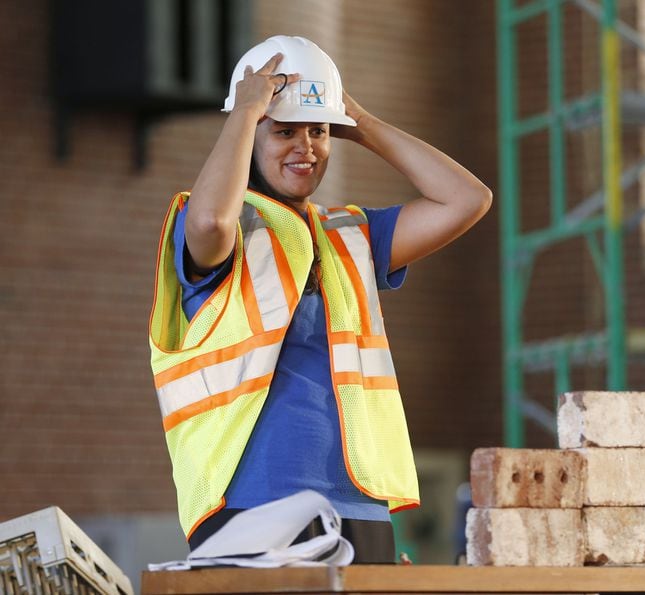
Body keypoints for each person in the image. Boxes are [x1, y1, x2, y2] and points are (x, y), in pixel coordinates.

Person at [148, 35, 491, 564]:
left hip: (360, 499)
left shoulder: (350, 234)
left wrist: (361, 123)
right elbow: (212, 219)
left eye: (319, 131)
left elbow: (467, 199)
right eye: (284, 131)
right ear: (250, 135)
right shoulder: (223, 229)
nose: (305, 146)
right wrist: (245, 111)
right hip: (252, 500)